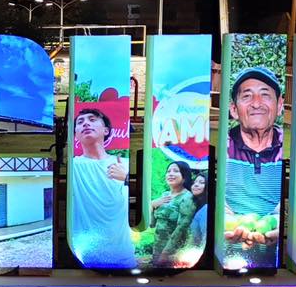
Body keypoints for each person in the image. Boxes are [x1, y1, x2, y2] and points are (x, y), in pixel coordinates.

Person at [221, 67, 285, 258]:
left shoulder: (294, 147)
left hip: (280, 256)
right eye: (247, 96)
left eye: (265, 95)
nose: (256, 103)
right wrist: (221, 215)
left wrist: (280, 218)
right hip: (226, 254)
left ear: (279, 105)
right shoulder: (222, 147)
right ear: (234, 109)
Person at [68, 104, 135, 267]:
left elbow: (147, 201)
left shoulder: (125, 163)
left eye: (92, 120)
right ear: (75, 135)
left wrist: (126, 178)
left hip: (124, 255)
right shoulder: (72, 166)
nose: (86, 123)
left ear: (106, 130)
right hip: (86, 258)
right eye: (80, 122)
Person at [146, 159, 206, 267]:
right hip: (157, 249)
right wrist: (151, 206)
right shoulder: (165, 195)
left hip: (174, 253)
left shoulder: (187, 198)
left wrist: (165, 254)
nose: (171, 174)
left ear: (184, 176)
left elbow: (181, 229)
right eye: (168, 171)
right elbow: (152, 224)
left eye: (176, 171)